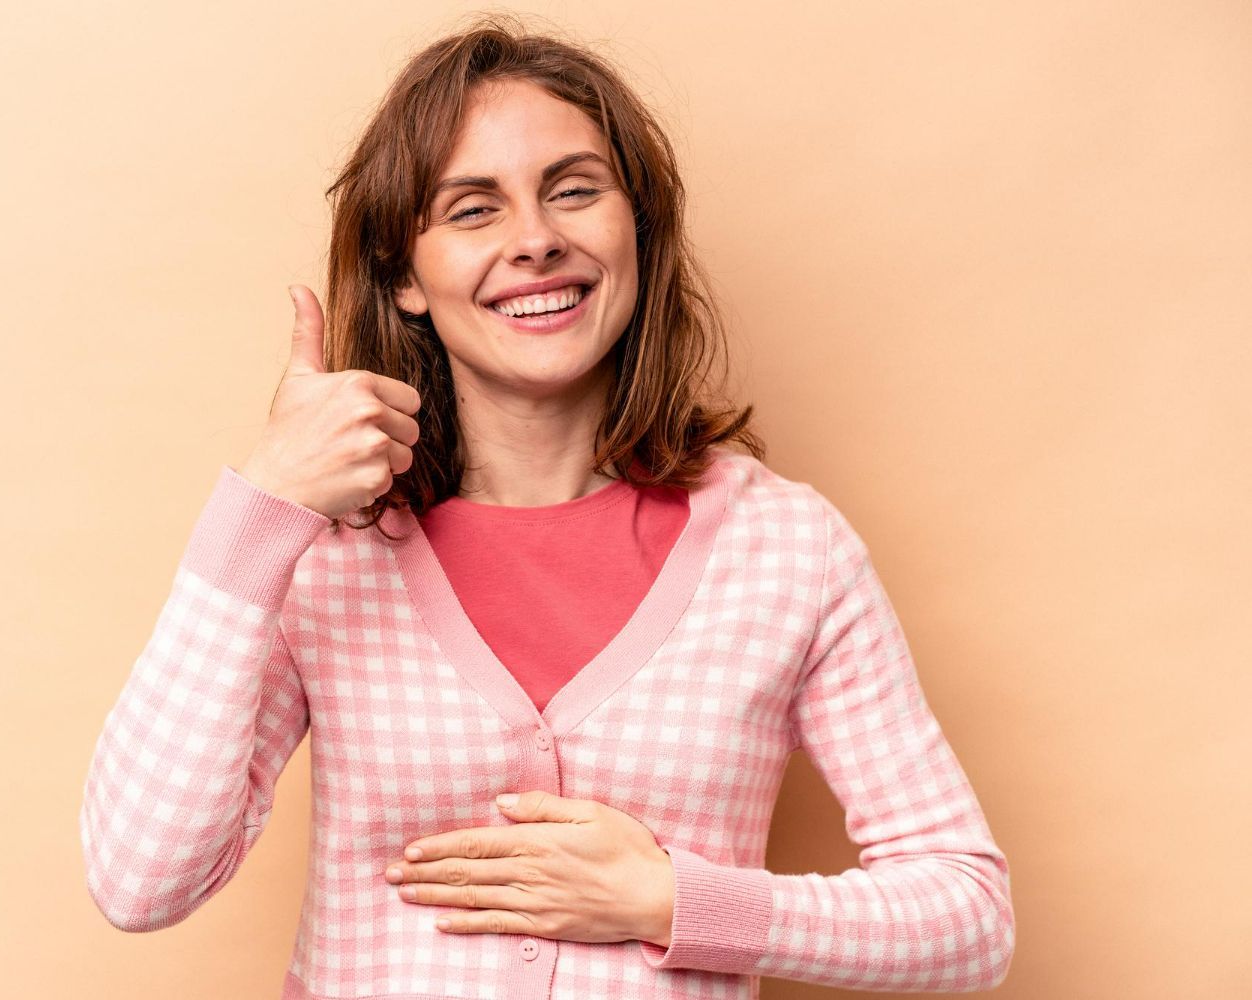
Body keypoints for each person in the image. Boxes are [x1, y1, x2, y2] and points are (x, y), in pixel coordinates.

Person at [78, 13, 1014, 999]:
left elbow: (968, 916)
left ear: (637, 232)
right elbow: (140, 878)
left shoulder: (785, 547)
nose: (536, 241)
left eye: (574, 191)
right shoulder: (324, 550)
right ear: (404, 273)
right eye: (474, 209)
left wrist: (673, 900)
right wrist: (263, 505)